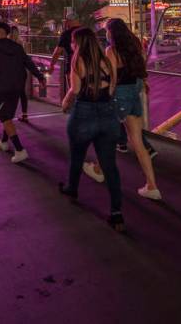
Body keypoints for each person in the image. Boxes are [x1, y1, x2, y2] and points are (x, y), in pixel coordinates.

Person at [81, 19, 161, 199]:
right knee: (138, 142)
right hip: (135, 94)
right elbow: (141, 72)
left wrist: (105, 98)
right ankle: (152, 186)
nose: (106, 34)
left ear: (112, 32)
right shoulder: (135, 47)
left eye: (107, 30)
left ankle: (98, 169)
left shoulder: (112, 51)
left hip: (120, 96)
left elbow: (113, 79)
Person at [58, 27, 125, 231]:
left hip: (84, 113)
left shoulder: (77, 61)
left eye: (72, 42)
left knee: (77, 156)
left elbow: (75, 89)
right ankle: (116, 214)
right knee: (109, 166)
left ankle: (72, 189)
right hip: (107, 114)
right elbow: (112, 87)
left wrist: (65, 102)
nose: (71, 44)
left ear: (78, 43)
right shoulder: (106, 60)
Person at [0, 22, 46, 163]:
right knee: (7, 114)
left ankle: (20, 150)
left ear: (1, 32)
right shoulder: (17, 47)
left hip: (1, 88)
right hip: (17, 87)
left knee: (4, 117)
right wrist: (40, 76)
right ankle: (4, 141)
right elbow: (28, 63)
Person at [9, 24, 33, 122]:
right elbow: (25, 58)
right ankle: (24, 114)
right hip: (21, 72)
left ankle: (9, 116)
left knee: (11, 94)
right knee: (22, 93)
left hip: (12, 72)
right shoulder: (21, 43)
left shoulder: (8, 44)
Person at [49, 17, 80, 89]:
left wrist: (52, 65)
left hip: (72, 65)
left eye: (65, 21)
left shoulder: (66, 34)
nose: (65, 24)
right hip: (88, 65)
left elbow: (57, 52)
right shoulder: (87, 32)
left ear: (70, 22)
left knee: (73, 89)